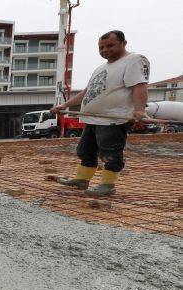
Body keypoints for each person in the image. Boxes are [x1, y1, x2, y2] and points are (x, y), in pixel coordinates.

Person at [50, 30, 149, 196]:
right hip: (94, 119)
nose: (105, 50)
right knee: (85, 151)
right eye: (101, 47)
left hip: (113, 119)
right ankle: (82, 180)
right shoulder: (101, 68)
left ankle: (107, 185)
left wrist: (140, 110)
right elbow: (88, 92)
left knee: (110, 152)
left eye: (110, 45)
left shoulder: (134, 60)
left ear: (124, 43)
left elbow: (139, 86)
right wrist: (64, 105)